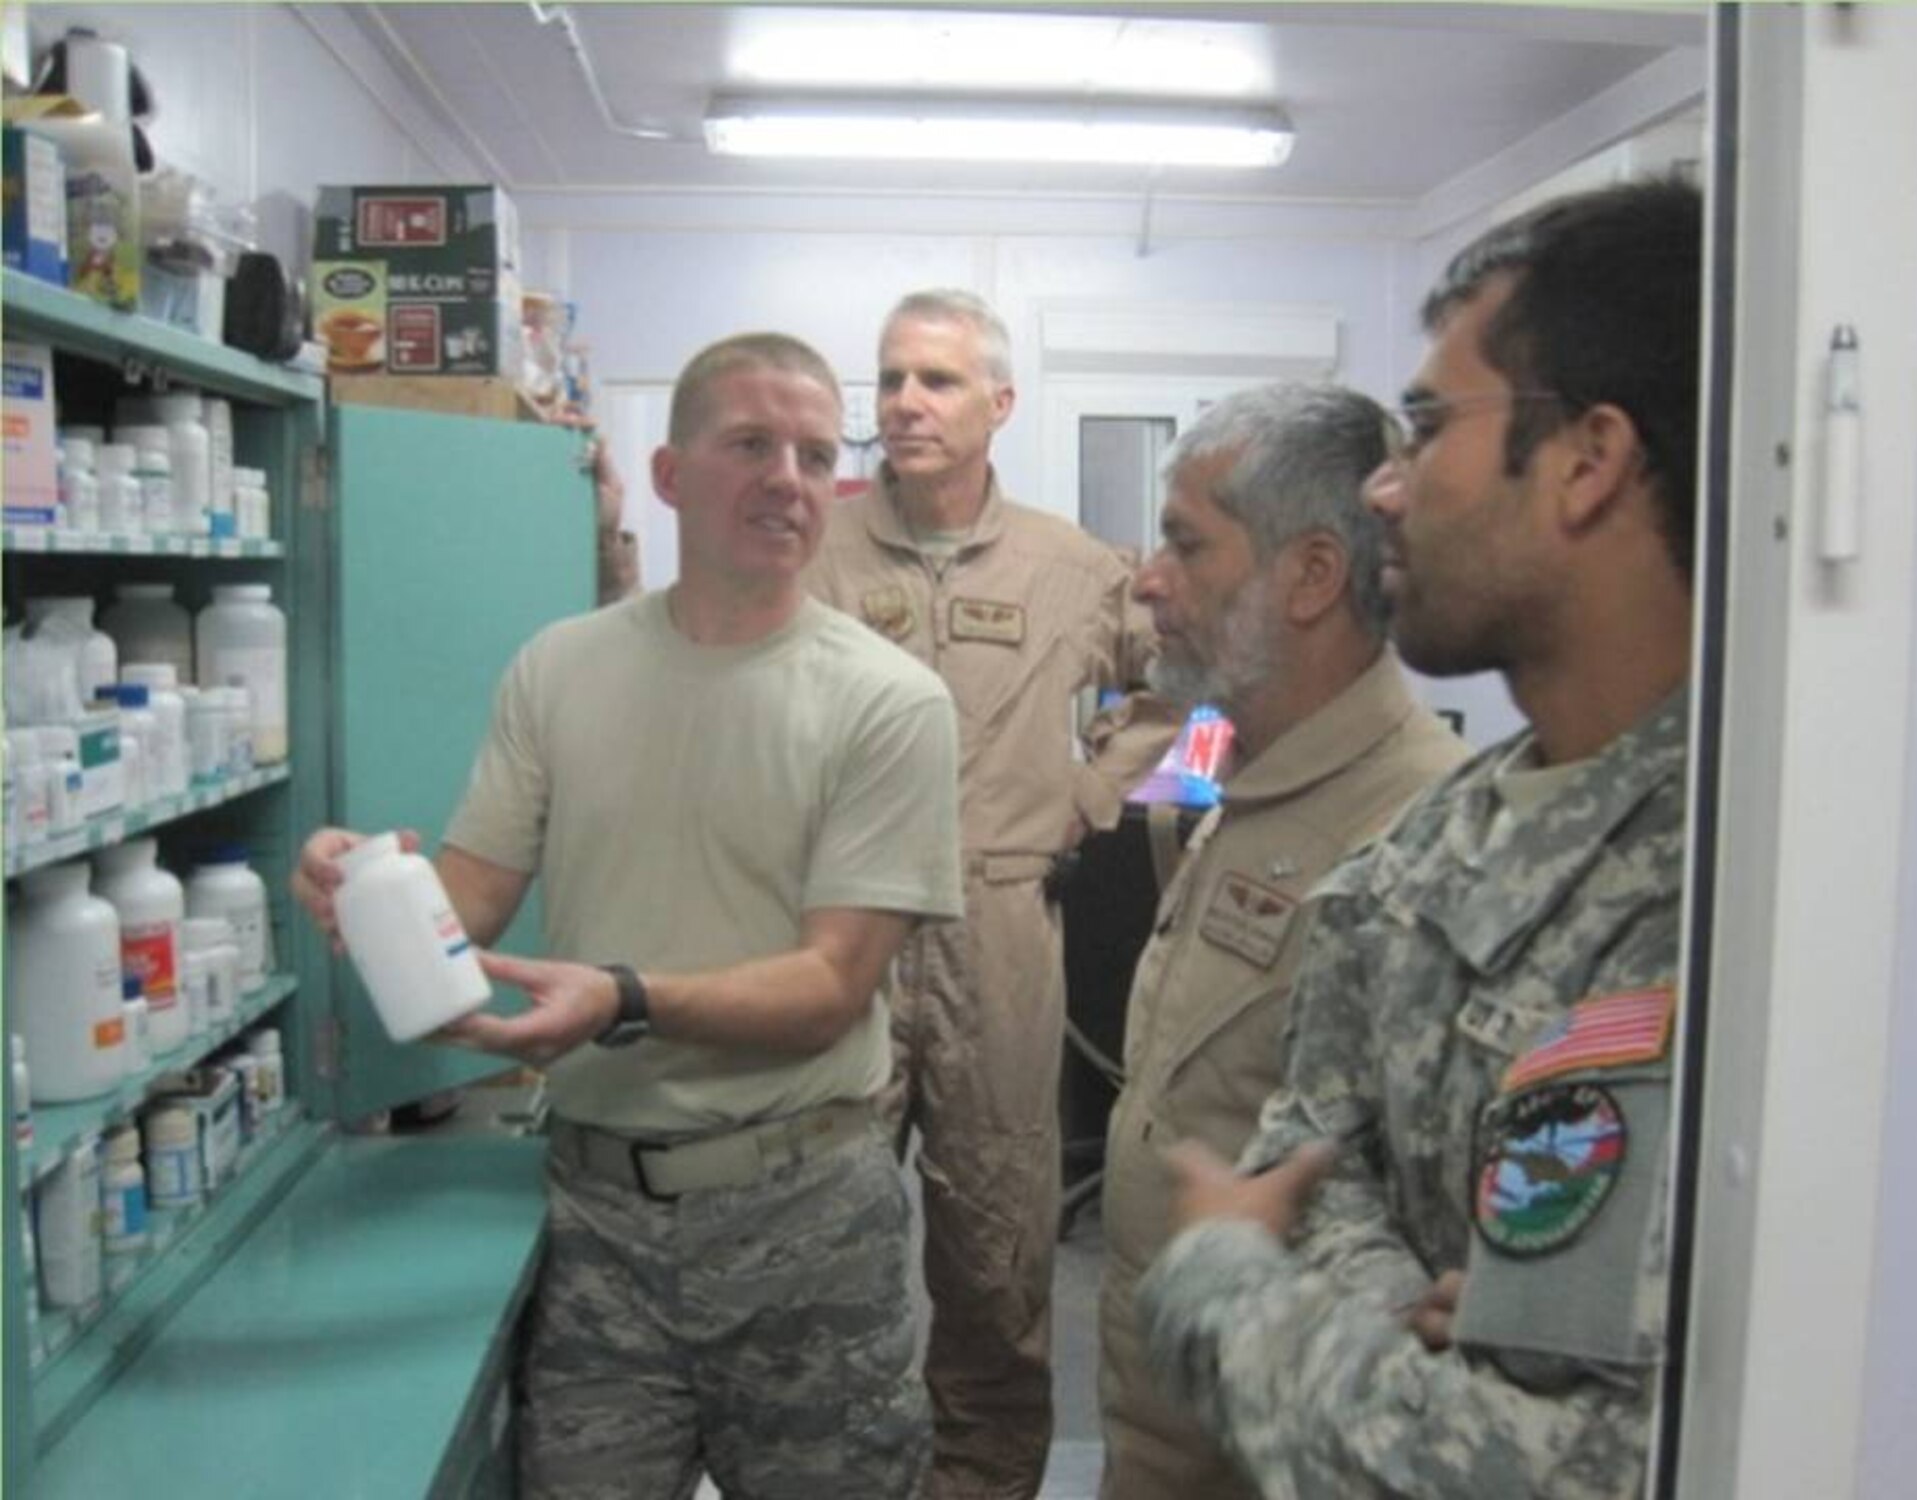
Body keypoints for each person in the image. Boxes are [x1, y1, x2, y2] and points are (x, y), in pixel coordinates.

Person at [291, 332, 964, 1499]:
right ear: (667, 475)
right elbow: (471, 901)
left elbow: (829, 989)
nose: (789, 481)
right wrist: (362, 889)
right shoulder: (559, 669)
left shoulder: (889, 703)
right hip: (595, 1217)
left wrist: (623, 1000)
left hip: (806, 1215)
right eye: (750, 445)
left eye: (814, 454)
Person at [1137, 176, 1702, 1498]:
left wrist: (1227, 1273)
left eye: (1432, 427)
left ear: (1586, 458)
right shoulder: (1433, 839)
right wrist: (1413, 1321)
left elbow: (1517, 1466)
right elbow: (1316, 1153)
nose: (1387, 492)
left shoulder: (1726, 894)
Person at [801, 288, 1181, 1498]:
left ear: (998, 406)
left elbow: (1187, 678)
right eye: (892, 378)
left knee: (996, 1246)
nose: (906, 402)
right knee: (818, 1233)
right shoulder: (816, 547)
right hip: (835, 931)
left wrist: (1092, 789)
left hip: (1001, 928)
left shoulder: (1069, 565)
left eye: (938, 380)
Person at [1097, 381, 1469, 1500]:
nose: (1146, 580)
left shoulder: (1418, 831)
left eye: (1184, 545)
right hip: (1162, 1416)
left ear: (1308, 576)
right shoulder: (1238, 750)